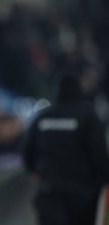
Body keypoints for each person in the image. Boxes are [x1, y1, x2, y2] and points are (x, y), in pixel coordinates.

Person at [22, 72, 109, 225]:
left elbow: (27, 153)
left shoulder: (42, 117)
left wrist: (37, 174)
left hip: (49, 193)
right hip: (82, 197)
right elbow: (100, 155)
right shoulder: (88, 118)